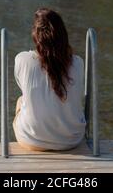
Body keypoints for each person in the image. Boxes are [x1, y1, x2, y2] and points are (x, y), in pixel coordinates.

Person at [13, 8, 86, 151]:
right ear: (63, 35)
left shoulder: (22, 60)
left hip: (32, 140)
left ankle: (40, 134)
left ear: (35, 36)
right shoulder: (78, 62)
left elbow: (24, 88)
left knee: (21, 100)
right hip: (72, 139)